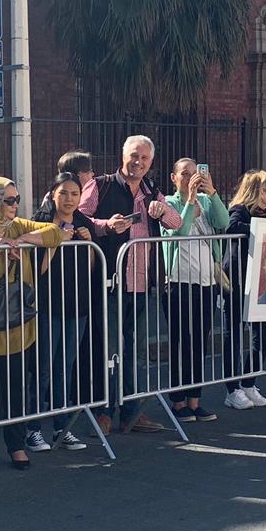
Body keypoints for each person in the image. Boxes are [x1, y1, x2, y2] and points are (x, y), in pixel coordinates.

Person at [80, 135, 181, 434]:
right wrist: (105, 225)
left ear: (151, 163)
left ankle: (131, 411)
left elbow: (176, 224)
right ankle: (104, 410)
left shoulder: (152, 190)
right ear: (123, 155)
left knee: (132, 348)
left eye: (145, 159)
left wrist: (164, 211)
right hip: (109, 281)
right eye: (134, 156)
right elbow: (77, 217)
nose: (138, 163)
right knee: (108, 348)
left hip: (139, 284)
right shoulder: (101, 184)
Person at [0, 176, 63, 467]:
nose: (14, 205)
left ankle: (16, 444)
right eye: (8, 200)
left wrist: (22, 240)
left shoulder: (17, 225)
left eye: (17, 199)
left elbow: (55, 232)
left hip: (16, 318)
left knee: (15, 386)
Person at [31, 171, 97, 452]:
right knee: (43, 368)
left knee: (65, 368)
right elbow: (37, 270)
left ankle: (62, 427)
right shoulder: (42, 222)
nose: (69, 199)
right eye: (64, 193)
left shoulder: (83, 221)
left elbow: (93, 265)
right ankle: (32, 428)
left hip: (77, 306)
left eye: (74, 193)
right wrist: (56, 241)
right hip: (48, 306)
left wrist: (87, 240)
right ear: (53, 195)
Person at [161, 158, 230, 420]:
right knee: (181, 343)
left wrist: (210, 191)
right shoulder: (168, 203)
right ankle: (177, 401)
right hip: (179, 282)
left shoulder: (207, 200)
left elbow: (223, 221)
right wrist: (190, 201)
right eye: (185, 174)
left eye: (195, 174)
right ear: (173, 177)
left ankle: (194, 400)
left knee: (199, 343)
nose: (191, 178)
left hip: (205, 283)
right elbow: (179, 230)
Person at [222, 169, 266, 407]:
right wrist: (261, 229)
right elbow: (232, 227)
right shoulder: (239, 211)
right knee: (233, 334)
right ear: (258, 191)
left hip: (262, 281)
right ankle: (232, 388)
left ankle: (249, 382)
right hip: (238, 279)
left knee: (263, 336)